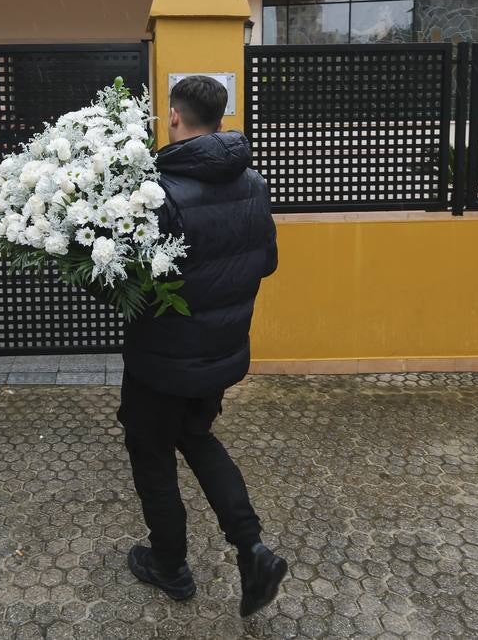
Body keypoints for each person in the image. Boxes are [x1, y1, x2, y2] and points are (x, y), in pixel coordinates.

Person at [119, 75, 287, 618]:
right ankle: (253, 549)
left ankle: (169, 564)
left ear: (173, 116)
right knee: (196, 434)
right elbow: (267, 261)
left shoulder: (159, 190)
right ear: (220, 117)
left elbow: (139, 283)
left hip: (162, 357)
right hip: (220, 351)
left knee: (151, 451)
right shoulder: (254, 183)